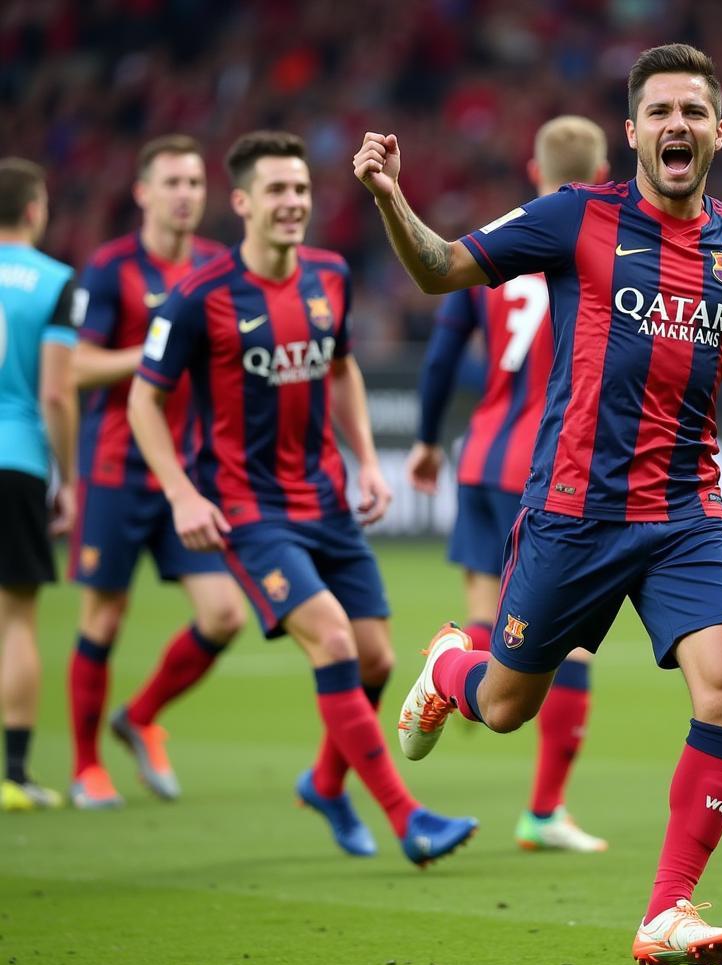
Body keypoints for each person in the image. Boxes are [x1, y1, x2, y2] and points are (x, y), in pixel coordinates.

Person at [355, 42, 722, 965]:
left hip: (686, 515)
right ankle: (451, 664)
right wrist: (388, 197)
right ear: (633, 132)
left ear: (720, 131)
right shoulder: (578, 217)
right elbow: (442, 268)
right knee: (503, 708)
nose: (677, 127)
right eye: (660, 112)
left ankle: (668, 910)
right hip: (574, 513)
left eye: (693, 112)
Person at [128, 130, 477, 866]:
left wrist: (368, 465)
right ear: (243, 203)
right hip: (248, 509)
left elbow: (343, 368)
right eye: (278, 192)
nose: (293, 204)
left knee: (379, 661)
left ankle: (324, 783)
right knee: (336, 641)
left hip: (325, 500)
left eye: (302, 191)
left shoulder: (329, 274)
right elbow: (142, 403)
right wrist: (182, 494)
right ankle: (408, 818)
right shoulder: (198, 297)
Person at [407, 116, 610, 853]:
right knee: (572, 646)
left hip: (481, 456)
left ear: (534, 167)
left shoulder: (492, 239)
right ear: (605, 165)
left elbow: (440, 355)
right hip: (554, 468)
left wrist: (428, 440)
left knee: (489, 622)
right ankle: (545, 809)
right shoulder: (607, 245)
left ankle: (444, 671)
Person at [67, 135, 247, 809]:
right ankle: (87, 766)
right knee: (104, 619)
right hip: (117, 465)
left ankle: (138, 716)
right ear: (143, 192)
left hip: (189, 473)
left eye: (195, 183)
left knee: (225, 614)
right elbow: (80, 367)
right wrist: (159, 349)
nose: (185, 195)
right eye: (172, 182)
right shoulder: (111, 268)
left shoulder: (217, 266)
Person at [0, 158, 77, 812]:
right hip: (16, 458)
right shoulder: (55, 282)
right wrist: (69, 478)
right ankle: (15, 774)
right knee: (16, 619)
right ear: (32, 210)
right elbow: (56, 391)